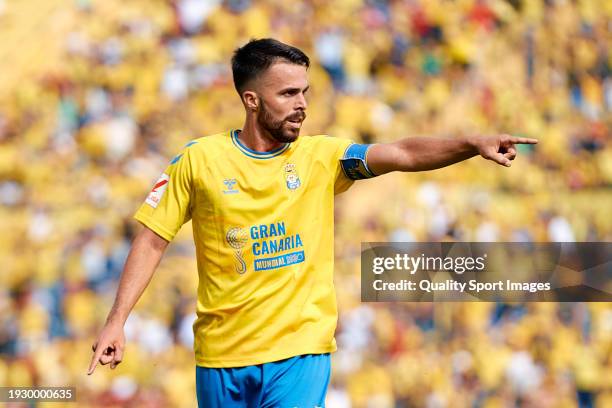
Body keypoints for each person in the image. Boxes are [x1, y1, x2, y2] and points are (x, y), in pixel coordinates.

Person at [88, 38, 537, 407]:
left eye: (305, 92)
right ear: (251, 99)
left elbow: (402, 153)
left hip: (298, 355)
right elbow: (151, 239)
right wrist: (116, 320)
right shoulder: (198, 161)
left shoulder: (323, 157)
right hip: (220, 357)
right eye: (288, 94)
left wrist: (469, 142)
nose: (302, 104)